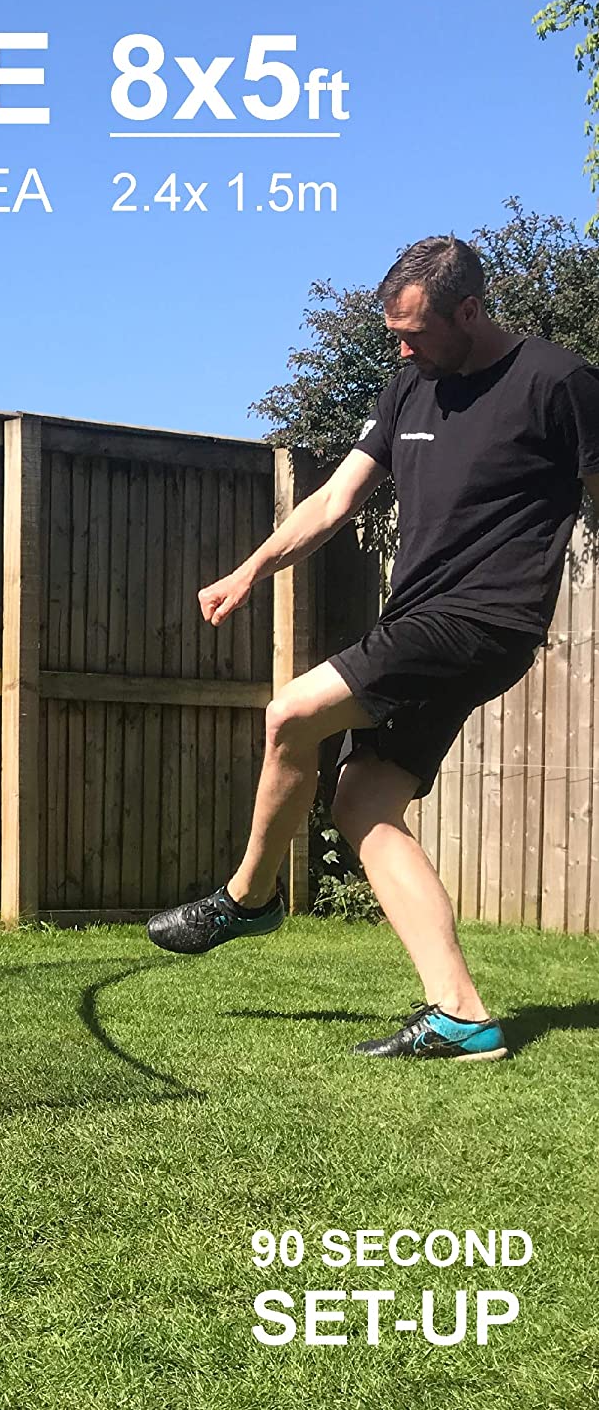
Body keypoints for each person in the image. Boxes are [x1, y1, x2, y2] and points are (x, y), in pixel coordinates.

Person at [145, 235, 599, 1061]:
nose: (401, 349)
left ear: (470, 311)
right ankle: (461, 1015)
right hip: (418, 619)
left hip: (485, 620)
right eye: (394, 334)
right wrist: (249, 570)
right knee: (362, 803)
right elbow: (333, 502)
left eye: (414, 333)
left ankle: (247, 899)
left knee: (290, 713)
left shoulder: (558, 382)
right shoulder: (406, 391)